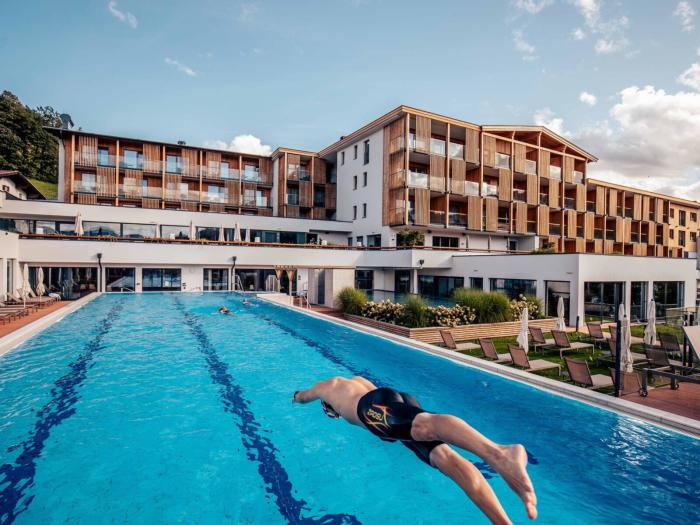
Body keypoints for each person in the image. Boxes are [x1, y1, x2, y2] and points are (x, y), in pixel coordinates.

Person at [292, 376, 536, 525]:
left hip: (373, 410)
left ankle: (499, 453)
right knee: (446, 459)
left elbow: (305, 396)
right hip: (393, 400)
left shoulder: (328, 387)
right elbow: (380, 395)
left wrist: (297, 397)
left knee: (423, 427)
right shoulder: (354, 381)